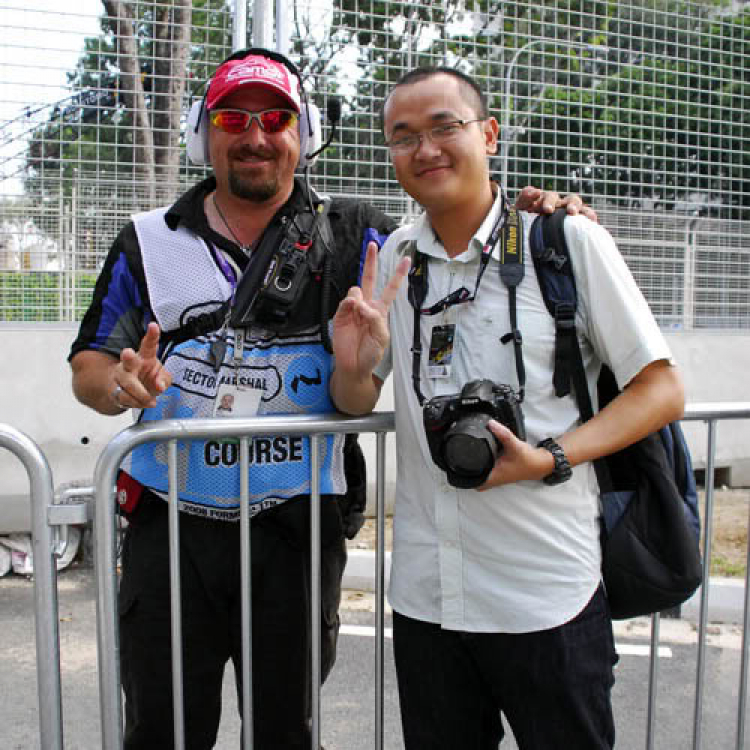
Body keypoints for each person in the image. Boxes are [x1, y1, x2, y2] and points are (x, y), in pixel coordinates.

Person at [69, 46, 594, 749]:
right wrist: (117, 386)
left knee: (287, 729)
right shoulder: (147, 241)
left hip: (296, 533)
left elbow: (460, 232)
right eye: (234, 117)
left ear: (303, 135)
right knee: (160, 728)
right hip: (170, 533)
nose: (255, 136)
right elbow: (90, 367)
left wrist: (537, 212)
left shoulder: (359, 235)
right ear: (205, 133)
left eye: (276, 118)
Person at [329, 66, 685, 750]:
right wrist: (355, 365)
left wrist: (549, 457)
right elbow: (356, 402)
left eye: (444, 127)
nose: (425, 148)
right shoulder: (395, 261)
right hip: (428, 598)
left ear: (488, 134)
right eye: (403, 136)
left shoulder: (565, 243)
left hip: (545, 592)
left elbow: (661, 387)